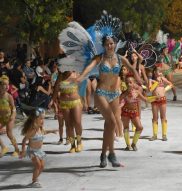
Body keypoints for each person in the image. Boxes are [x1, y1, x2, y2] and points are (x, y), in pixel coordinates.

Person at [76, 36, 142, 168]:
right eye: (107, 44)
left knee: (109, 125)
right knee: (112, 122)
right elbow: (89, 68)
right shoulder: (99, 58)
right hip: (101, 93)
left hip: (115, 94)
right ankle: (112, 154)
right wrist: (80, 77)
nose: (110, 46)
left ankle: (103, 155)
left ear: (115, 44)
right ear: (104, 46)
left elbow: (131, 67)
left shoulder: (119, 58)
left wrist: (138, 77)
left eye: (112, 43)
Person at [20, 108, 57, 188]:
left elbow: (44, 132)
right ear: (35, 119)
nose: (43, 121)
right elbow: (24, 140)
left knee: (42, 166)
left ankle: (34, 178)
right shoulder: (32, 130)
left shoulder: (40, 128)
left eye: (43, 118)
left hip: (39, 151)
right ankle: (34, 181)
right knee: (38, 165)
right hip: (32, 151)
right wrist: (23, 151)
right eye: (41, 119)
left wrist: (51, 131)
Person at [51, 71, 83, 152]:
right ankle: (72, 145)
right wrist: (52, 101)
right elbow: (55, 91)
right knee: (68, 125)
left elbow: (83, 85)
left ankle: (79, 142)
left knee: (77, 122)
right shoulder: (60, 76)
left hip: (75, 101)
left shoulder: (76, 73)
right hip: (64, 103)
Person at [120, 74, 147, 151]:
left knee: (140, 127)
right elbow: (118, 103)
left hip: (134, 112)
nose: (129, 84)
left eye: (130, 82)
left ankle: (134, 143)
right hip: (125, 112)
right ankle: (128, 145)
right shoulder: (124, 94)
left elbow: (145, 99)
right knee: (126, 128)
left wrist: (155, 97)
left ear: (134, 83)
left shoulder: (137, 92)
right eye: (127, 82)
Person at [149, 67, 173, 141]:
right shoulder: (151, 80)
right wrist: (156, 82)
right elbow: (150, 89)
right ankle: (155, 135)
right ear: (154, 72)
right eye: (159, 71)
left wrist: (164, 90)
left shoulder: (163, 79)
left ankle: (164, 135)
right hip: (154, 99)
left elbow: (171, 84)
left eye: (161, 71)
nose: (160, 73)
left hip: (162, 99)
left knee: (163, 116)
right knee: (155, 117)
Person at [0, 76, 19, 156]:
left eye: (8, 84)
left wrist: (13, 116)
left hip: (9, 117)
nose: (7, 86)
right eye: (5, 84)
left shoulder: (9, 96)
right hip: (1, 118)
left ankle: (17, 149)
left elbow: (14, 108)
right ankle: (4, 147)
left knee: (9, 133)